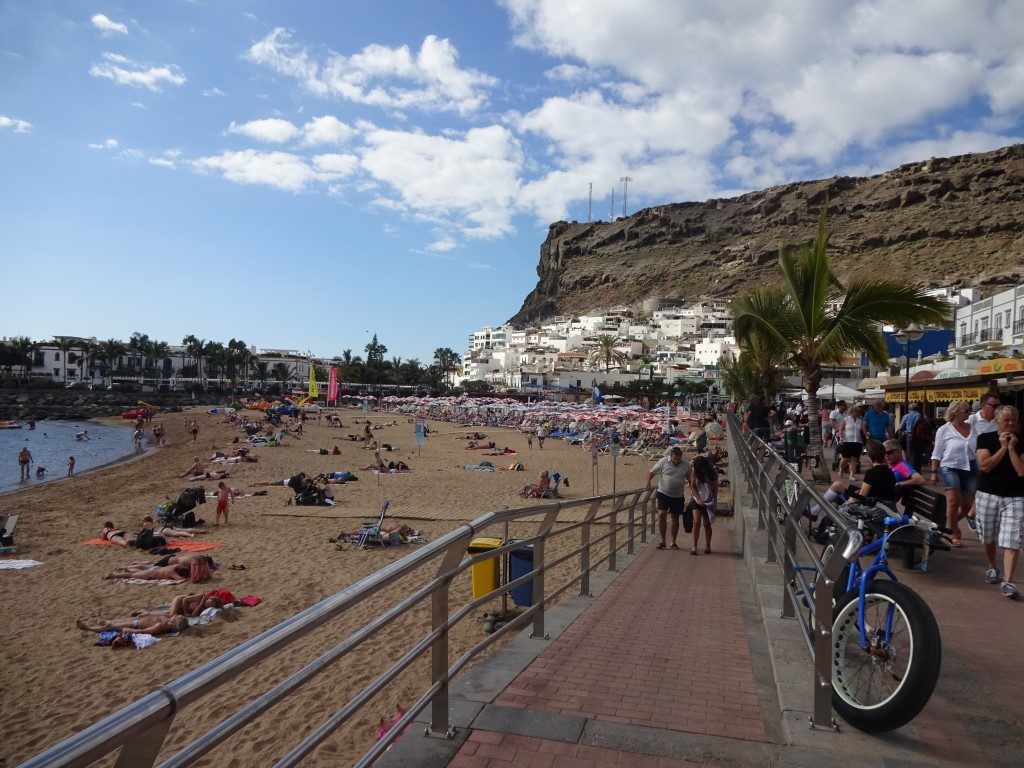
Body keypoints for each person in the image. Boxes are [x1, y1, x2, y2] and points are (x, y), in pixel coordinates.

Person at [974, 405, 1024, 598]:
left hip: (1015, 496)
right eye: (1007, 420)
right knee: (987, 536)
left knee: (1012, 540)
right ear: (997, 421)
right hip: (988, 494)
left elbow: (1021, 471)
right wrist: (1003, 447)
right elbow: (985, 466)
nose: (1011, 423)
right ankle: (992, 566)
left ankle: (1008, 581)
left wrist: (1011, 447)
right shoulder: (985, 438)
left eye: (1014, 420)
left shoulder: (1022, 441)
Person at [930, 400, 978, 548]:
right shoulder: (944, 430)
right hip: (949, 466)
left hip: (970, 467)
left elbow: (977, 449)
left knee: (967, 506)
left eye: (969, 411)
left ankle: (947, 523)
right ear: (956, 412)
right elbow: (937, 452)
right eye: (966, 411)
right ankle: (953, 533)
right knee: (953, 501)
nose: (968, 413)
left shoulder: (972, 427)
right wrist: (934, 471)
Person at [646, 446, 691, 550]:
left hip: (678, 495)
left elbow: (690, 478)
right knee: (661, 515)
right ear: (671, 456)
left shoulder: (686, 464)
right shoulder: (663, 462)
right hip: (663, 493)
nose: (676, 461)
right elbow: (652, 471)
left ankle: (673, 542)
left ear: (681, 457)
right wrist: (648, 482)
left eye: (678, 459)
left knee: (675, 518)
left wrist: (694, 491)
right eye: (675, 459)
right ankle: (662, 540)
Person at [688, 454, 718, 555]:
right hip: (696, 499)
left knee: (707, 523)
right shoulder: (695, 471)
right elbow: (692, 486)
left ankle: (708, 546)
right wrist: (698, 499)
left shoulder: (712, 474)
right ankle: (694, 547)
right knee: (696, 522)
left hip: (709, 500)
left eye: (702, 468)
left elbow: (715, 489)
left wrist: (713, 503)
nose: (701, 470)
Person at [76, 613, 188, 636]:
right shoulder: (167, 619)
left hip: (135, 625)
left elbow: (145, 631)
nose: (175, 615)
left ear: (174, 622)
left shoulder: (160, 626)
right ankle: (103, 620)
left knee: (110, 627)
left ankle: (88, 628)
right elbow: (155, 615)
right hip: (138, 620)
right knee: (117, 620)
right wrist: (146, 613)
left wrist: (130, 631)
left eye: (176, 616)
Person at [839, 405, 865, 480]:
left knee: (854, 459)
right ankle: (841, 470)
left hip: (857, 441)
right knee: (845, 458)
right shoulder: (846, 419)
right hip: (847, 440)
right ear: (851, 412)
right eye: (854, 411)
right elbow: (841, 429)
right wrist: (841, 438)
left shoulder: (860, 421)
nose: (856, 413)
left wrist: (866, 435)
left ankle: (852, 475)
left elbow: (863, 430)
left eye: (857, 411)